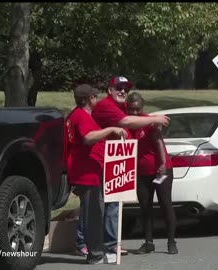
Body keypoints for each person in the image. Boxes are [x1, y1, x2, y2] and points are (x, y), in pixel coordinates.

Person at [76, 75, 170, 257]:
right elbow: (127, 122)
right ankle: (83, 242)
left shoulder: (122, 107)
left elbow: (135, 119)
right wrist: (154, 119)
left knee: (113, 204)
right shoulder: (106, 106)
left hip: (116, 162)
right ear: (109, 90)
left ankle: (111, 245)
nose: (122, 91)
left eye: (125, 89)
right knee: (95, 204)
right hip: (98, 162)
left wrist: (152, 123)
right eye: (118, 88)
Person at [64, 84, 127, 264]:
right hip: (87, 173)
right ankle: (95, 254)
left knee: (94, 212)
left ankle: (97, 251)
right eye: (95, 96)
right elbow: (88, 137)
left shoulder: (78, 115)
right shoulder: (80, 116)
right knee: (93, 214)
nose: (97, 100)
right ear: (89, 99)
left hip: (89, 171)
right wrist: (111, 130)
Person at [125, 92, 178, 255]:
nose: (134, 113)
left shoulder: (149, 123)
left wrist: (162, 163)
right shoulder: (127, 124)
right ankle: (148, 242)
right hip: (142, 173)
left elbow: (159, 143)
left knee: (165, 204)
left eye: (137, 109)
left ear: (142, 107)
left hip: (160, 170)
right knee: (145, 207)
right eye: (131, 110)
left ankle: (171, 241)